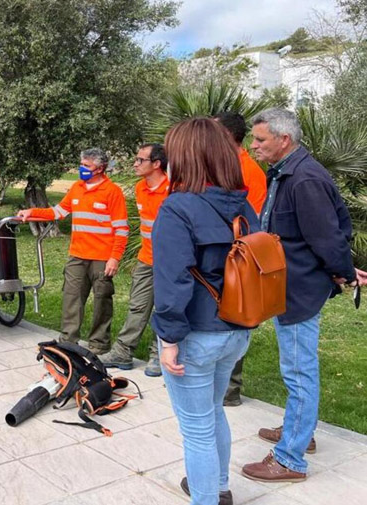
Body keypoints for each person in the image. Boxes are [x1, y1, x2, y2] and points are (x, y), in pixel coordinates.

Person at [241, 108, 359, 483]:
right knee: (296, 369)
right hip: (288, 285)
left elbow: (328, 237)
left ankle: (290, 458)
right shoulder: (288, 170)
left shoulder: (304, 178)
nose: (254, 146)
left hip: (300, 290)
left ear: (284, 140)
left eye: (260, 139)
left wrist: (342, 272)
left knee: (299, 372)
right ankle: (299, 432)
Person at [151, 117, 260, 505]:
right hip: (236, 329)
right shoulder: (244, 203)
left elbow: (172, 282)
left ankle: (207, 497)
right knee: (214, 411)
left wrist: (168, 339)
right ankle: (219, 487)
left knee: (196, 429)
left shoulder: (177, 208)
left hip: (197, 332)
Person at [18, 148, 129, 353]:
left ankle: (99, 344)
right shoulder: (77, 187)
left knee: (102, 300)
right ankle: (68, 342)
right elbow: (58, 212)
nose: (82, 168)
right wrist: (31, 212)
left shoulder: (112, 192)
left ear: (100, 168)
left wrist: (114, 258)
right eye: (81, 164)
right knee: (72, 298)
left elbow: (122, 229)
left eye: (87, 166)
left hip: (102, 258)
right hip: (77, 255)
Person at [98, 144, 168, 376]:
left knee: (164, 309)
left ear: (156, 164)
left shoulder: (173, 190)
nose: (135, 164)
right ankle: (123, 352)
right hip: (146, 259)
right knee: (137, 305)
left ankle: (158, 356)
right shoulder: (140, 188)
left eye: (140, 160)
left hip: (169, 262)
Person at [214, 111, 268, 406]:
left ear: (227, 136)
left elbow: (253, 222)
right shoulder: (224, 166)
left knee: (235, 316)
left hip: (237, 258)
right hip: (219, 255)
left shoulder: (248, 172)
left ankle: (230, 389)